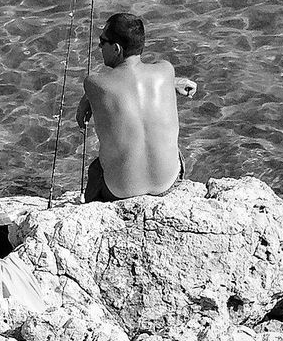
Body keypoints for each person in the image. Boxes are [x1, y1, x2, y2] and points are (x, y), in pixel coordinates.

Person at [75, 12, 197, 203]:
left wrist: (86, 100)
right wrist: (173, 83)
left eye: (102, 41)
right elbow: (136, 85)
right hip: (168, 183)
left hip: (118, 191)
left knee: (96, 169)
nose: (99, 46)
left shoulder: (94, 84)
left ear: (116, 49)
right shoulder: (166, 70)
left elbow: (104, 89)